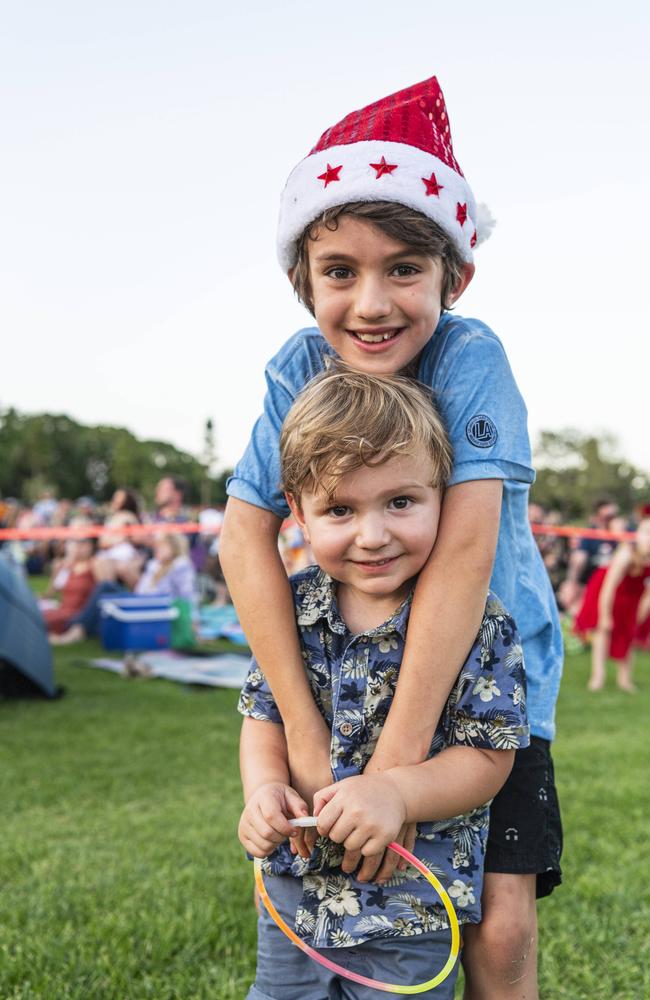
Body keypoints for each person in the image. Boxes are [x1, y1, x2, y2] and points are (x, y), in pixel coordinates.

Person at [221, 75, 563, 998]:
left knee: (494, 920)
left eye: (402, 268)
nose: (371, 303)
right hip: (343, 675)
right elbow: (244, 539)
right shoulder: (297, 368)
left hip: (488, 683)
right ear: (305, 280)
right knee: (325, 893)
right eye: (341, 271)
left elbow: (465, 546)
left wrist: (398, 772)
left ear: (454, 274)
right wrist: (302, 733)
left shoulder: (470, 356)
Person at [238, 368, 529, 999]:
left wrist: (398, 793)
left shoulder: (479, 623)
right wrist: (263, 791)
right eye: (340, 509)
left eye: (400, 502)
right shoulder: (292, 610)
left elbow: (488, 757)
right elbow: (265, 718)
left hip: (411, 905)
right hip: (295, 896)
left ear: (442, 497)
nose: (374, 536)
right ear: (298, 513)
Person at [51, 532, 197, 644]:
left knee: (106, 587)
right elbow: (141, 590)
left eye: (161, 546)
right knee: (106, 600)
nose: (156, 549)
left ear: (174, 547)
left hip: (155, 608)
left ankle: (77, 630)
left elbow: (188, 596)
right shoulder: (155, 565)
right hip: (143, 603)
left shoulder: (181, 566)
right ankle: (79, 626)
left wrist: (194, 623)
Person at [576, 515, 650, 692]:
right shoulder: (626, 554)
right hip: (605, 593)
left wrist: (639, 616)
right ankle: (597, 676)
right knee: (603, 631)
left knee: (628, 635)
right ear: (636, 534)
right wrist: (605, 615)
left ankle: (625, 679)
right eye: (647, 533)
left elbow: (648, 595)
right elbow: (608, 587)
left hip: (631, 598)